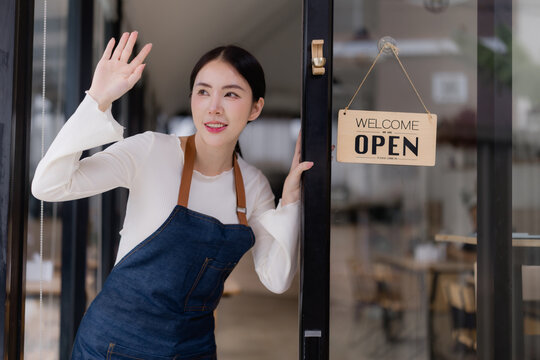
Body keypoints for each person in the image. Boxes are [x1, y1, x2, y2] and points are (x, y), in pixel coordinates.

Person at [32, 31, 313, 360]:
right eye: (203, 92)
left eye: (231, 95)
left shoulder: (253, 185)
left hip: (192, 350)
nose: (214, 107)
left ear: (255, 108)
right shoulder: (152, 151)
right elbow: (48, 185)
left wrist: (291, 199)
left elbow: (277, 279)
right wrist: (97, 100)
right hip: (113, 346)